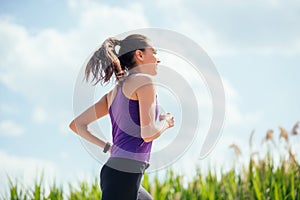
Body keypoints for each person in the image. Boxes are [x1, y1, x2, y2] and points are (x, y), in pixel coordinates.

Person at [69, 34, 175, 200]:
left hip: (115, 171)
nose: (158, 59)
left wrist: (108, 147)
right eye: (154, 53)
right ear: (139, 55)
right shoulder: (144, 82)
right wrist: (166, 123)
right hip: (125, 172)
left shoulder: (112, 94)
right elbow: (148, 134)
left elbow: (77, 125)